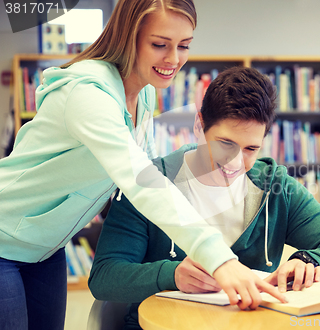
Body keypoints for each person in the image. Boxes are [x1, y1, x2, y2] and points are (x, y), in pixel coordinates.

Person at [0, 1, 285, 329]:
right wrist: (220, 258)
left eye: (184, 46)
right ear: (128, 36)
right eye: (159, 44)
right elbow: (141, 180)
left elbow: (151, 178)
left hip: (47, 247)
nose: (173, 59)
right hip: (5, 236)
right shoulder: (88, 95)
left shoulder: (144, 95)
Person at [88, 66, 320, 329]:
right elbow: (105, 276)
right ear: (200, 125)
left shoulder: (275, 187)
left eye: (250, 148)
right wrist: (172, 275)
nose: (235, 162)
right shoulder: (148, 182)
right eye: (225, 144)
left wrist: (310, 261)